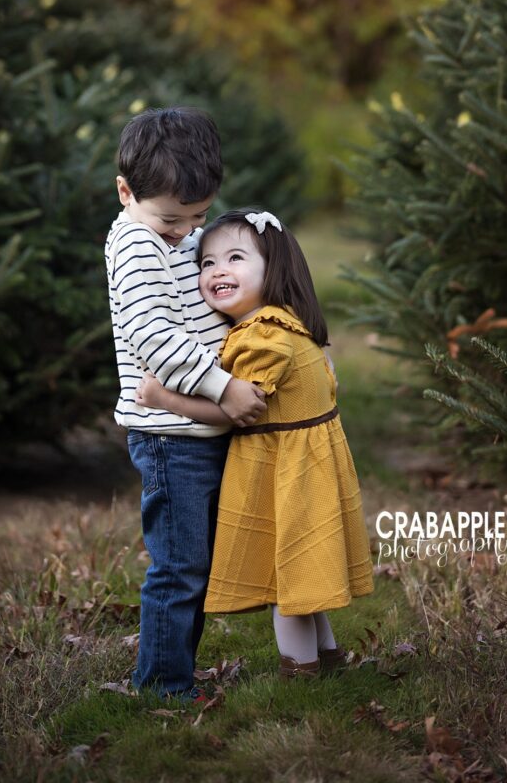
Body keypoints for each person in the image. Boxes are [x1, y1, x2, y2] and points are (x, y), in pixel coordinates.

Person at [135, 208, 374, 679]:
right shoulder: (286, 322)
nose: (218, 271)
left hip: (289, 474)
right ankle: (328, 660)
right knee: (303, 572)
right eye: (206, 263)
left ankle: (300, 673)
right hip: (304, 467)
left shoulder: (263, 337)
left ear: (274, 268)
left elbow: (234, 411)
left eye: (236, 258)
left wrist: (161, 397)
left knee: (287, 578)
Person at [104, 110, 267, 699]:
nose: (187, 232)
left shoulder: (175, 231)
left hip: (198, 430)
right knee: (177, 568)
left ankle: (174, 673)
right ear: (127, 193)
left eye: (198, 216)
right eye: (174, 218)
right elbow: (155, 340)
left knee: (196, 564)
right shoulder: (135, 244)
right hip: (171, 439)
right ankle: (162, 686)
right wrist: (225, 387)